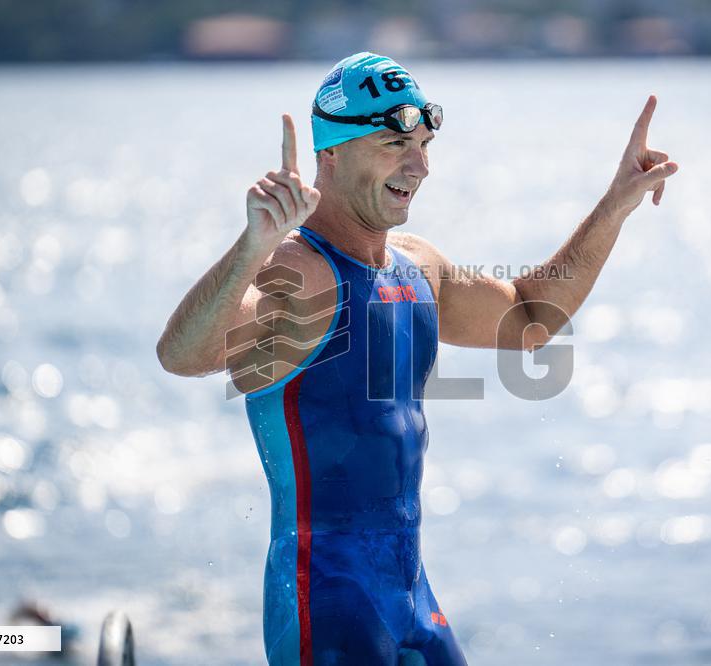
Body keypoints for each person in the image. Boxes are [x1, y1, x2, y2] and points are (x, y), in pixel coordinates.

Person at [156, 51, 678, 666]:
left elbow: (528, 318)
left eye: (425, 144)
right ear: (332, 151)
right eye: (396, 143)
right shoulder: (297, 273)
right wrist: (252, 246)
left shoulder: (416, 267)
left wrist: (615, 204)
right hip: (326, 606)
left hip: (411, 598)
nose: (420, 166)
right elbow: (181, 356)